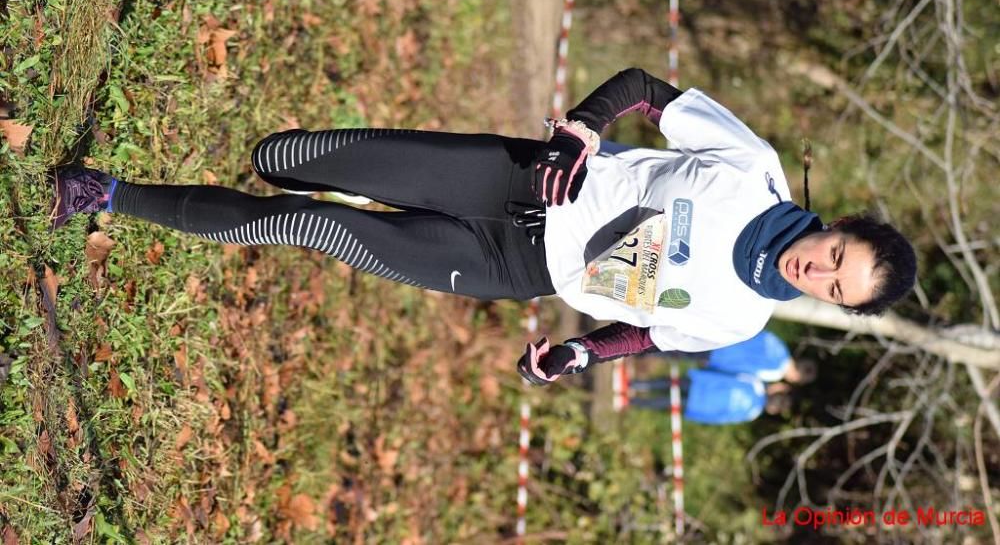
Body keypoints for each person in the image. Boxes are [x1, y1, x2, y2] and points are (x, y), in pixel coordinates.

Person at [51, 69, 916, 382]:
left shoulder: (739, 319)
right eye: (836, 255)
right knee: (286, 155)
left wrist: (578, 354)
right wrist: (586, 124)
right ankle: (259, 166)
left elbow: (650, 337)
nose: (819, 273)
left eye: (836, 289)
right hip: (511, 179)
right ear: (837, 226)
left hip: (510, 267)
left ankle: (103, 194)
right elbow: (648, 88)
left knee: (307, 227)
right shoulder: (755, 169)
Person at [645, 329, 818, 384]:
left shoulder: (778, 345)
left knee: (677, 338)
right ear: (796, 377)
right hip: (720, 355)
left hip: (724, 338)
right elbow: (743, 372)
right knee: (674, 349)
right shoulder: (775, 371)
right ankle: (640, 350)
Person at [628, 369, 792, 424]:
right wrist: (700, 416)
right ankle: (634, 401)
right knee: (668, 401)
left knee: (670, 384)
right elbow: (724, 418)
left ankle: (635, 385)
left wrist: (702, 374)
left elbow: (727, 377)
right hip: (702, 404)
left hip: (704, 385)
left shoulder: (755, 383)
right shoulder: (753, 413)